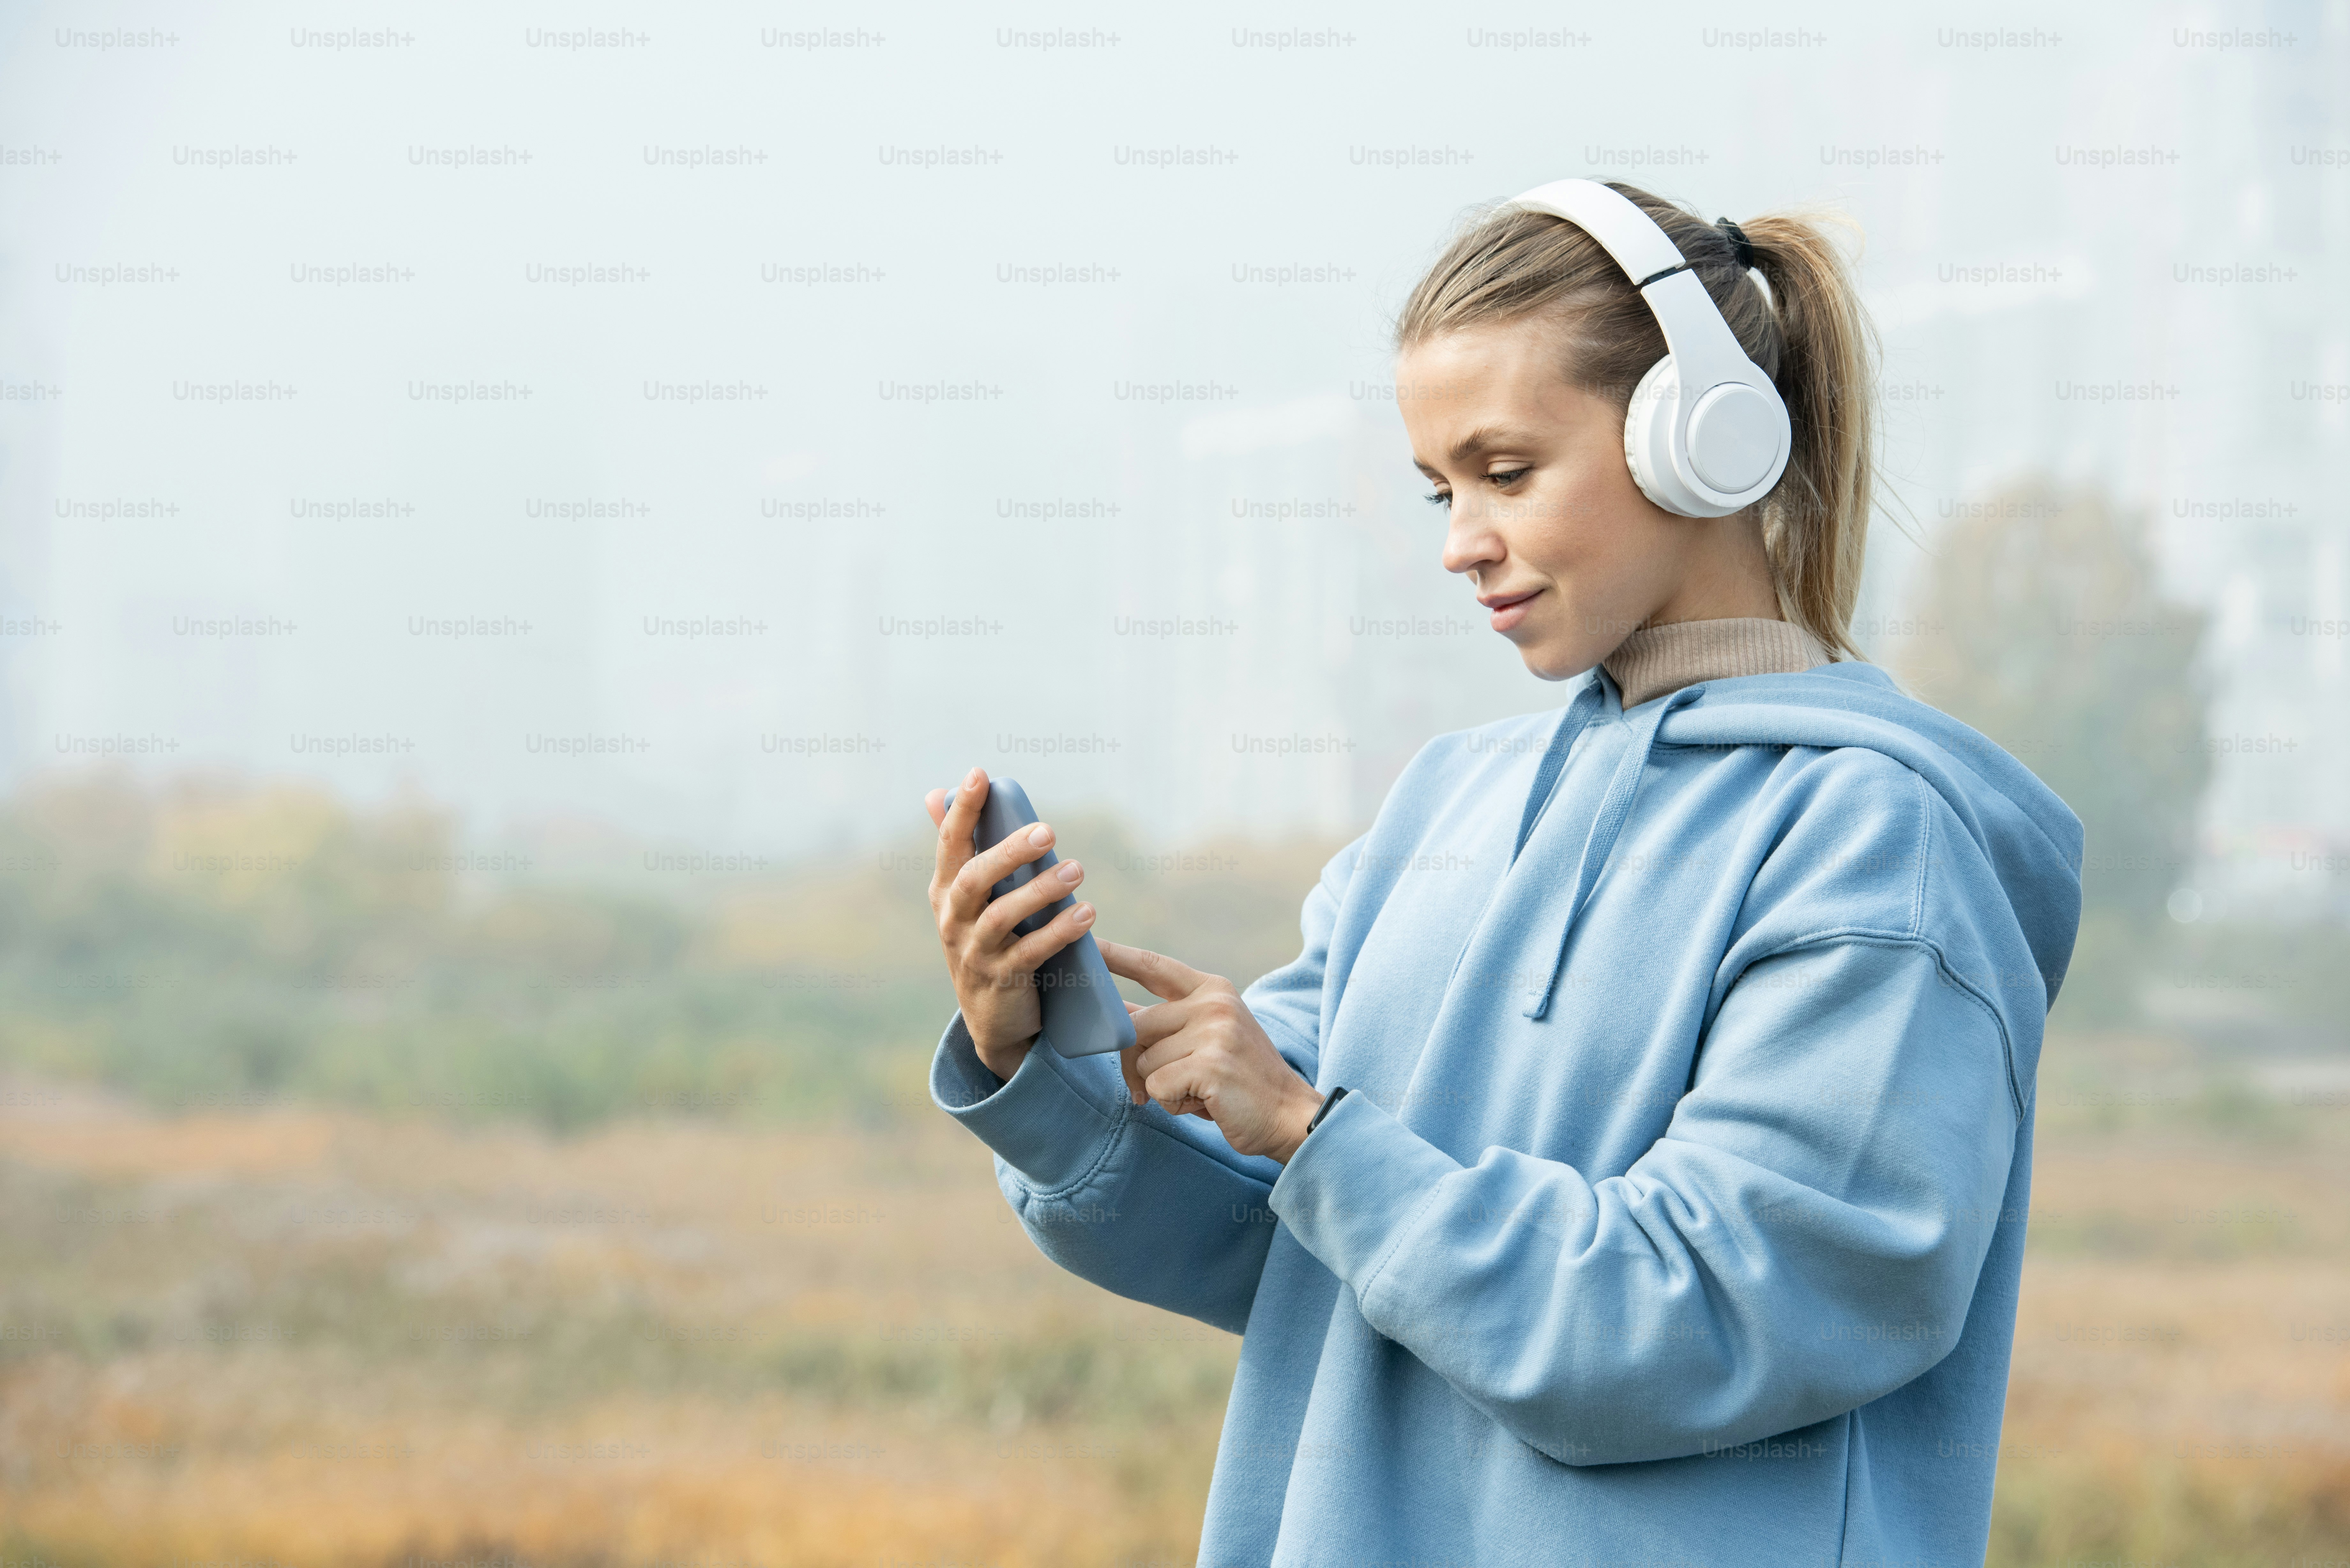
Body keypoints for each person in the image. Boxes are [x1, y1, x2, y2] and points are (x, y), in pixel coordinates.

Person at [922, 179, 2081, 1567]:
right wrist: (1041, 1060)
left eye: (1507, 472)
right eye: (1441, 489)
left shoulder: (1878, 843)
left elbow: (1715, 1315)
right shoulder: (1440, 811)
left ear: (1702, 441)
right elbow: (1277, 1241)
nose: (1459, 541)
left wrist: (1309, 1132)